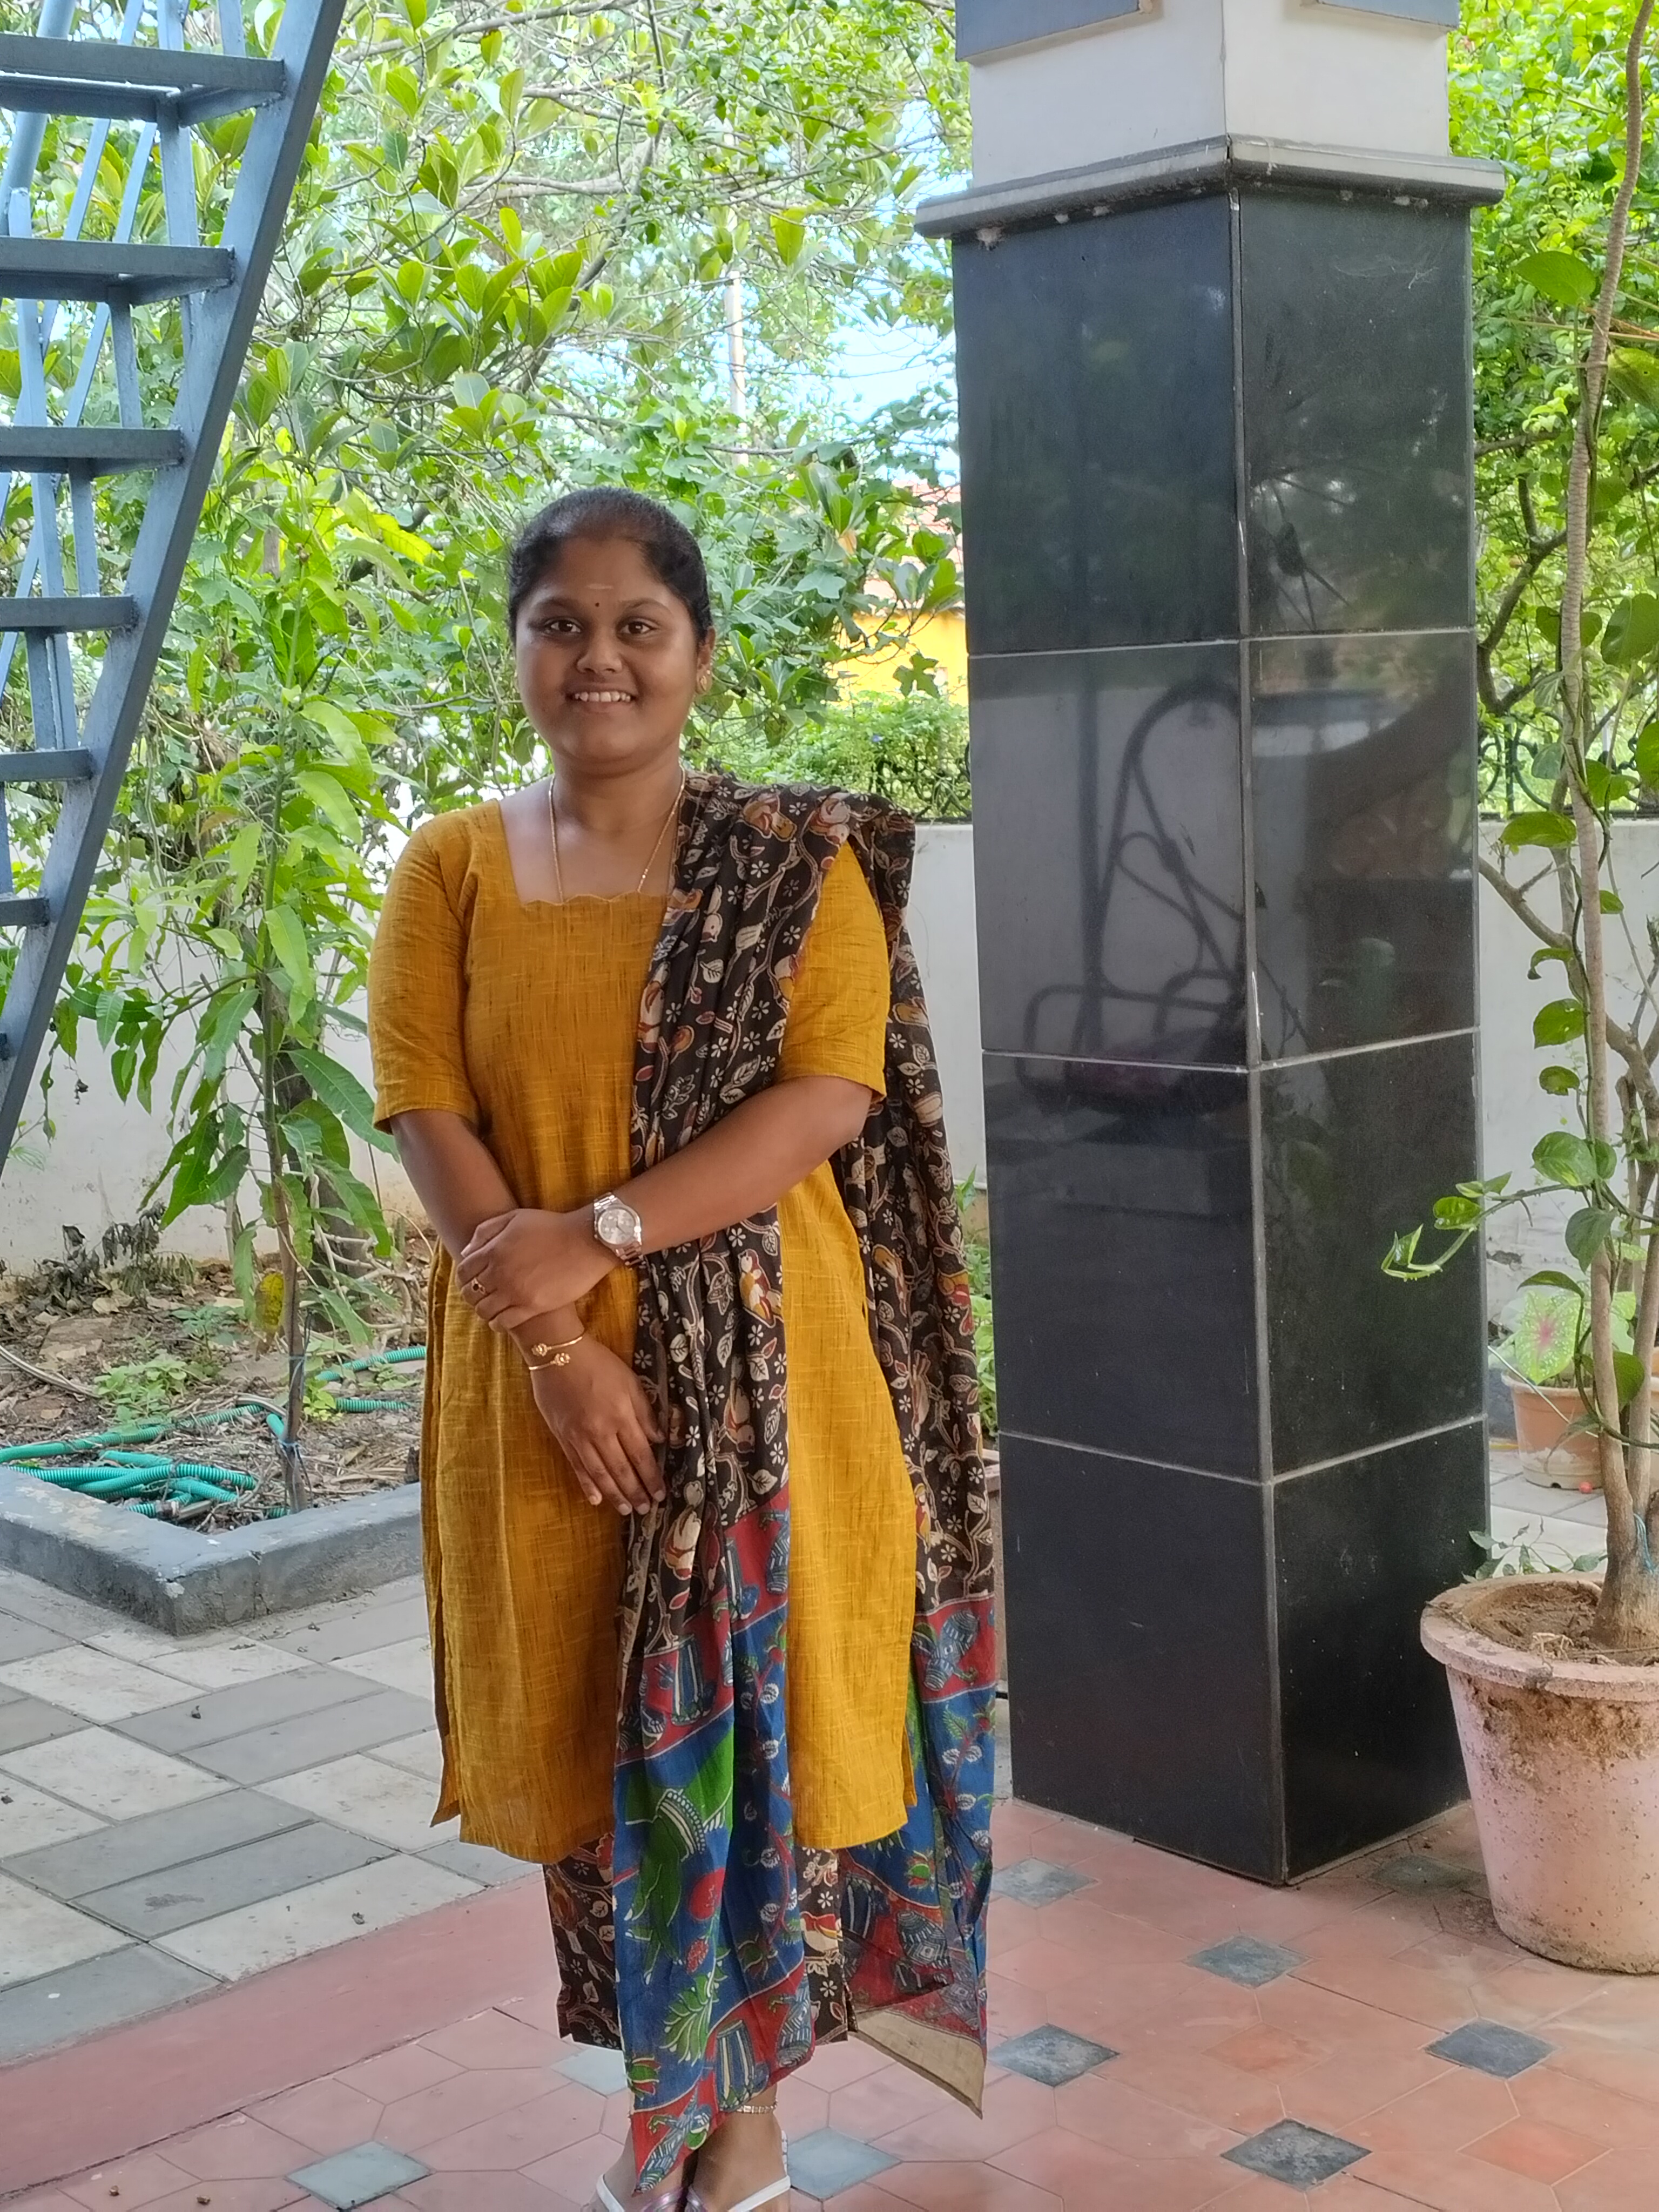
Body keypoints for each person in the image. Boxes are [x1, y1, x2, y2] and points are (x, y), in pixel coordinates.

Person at [367, 487, 995, 2212]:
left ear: (700, 654)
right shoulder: (451, 867)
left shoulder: (798, 866)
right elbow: (423, 1102)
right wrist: (560, 1344)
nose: (601, 659)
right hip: (540, 1386)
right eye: (560, 624)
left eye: (638, 625)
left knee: (757, 1740)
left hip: (772, 1386)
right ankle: (684, 2107)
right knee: (596, 1748)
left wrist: (600, 1235)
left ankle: (743, 2132)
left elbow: (826, 1096)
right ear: (516, 653)